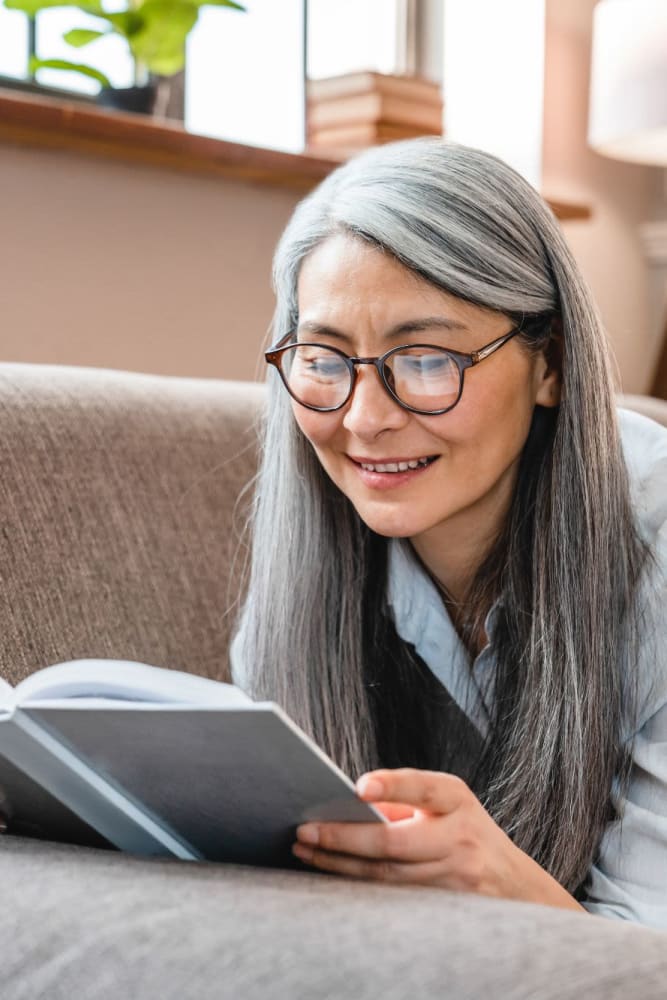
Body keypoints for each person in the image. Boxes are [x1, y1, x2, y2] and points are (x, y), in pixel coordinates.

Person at [230, 138, 667, 927]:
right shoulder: (312, 543)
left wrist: (506, 888)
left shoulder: (655, 553)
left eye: (426, 359)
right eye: (325, 358)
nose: (363, 420)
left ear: (552, 364)